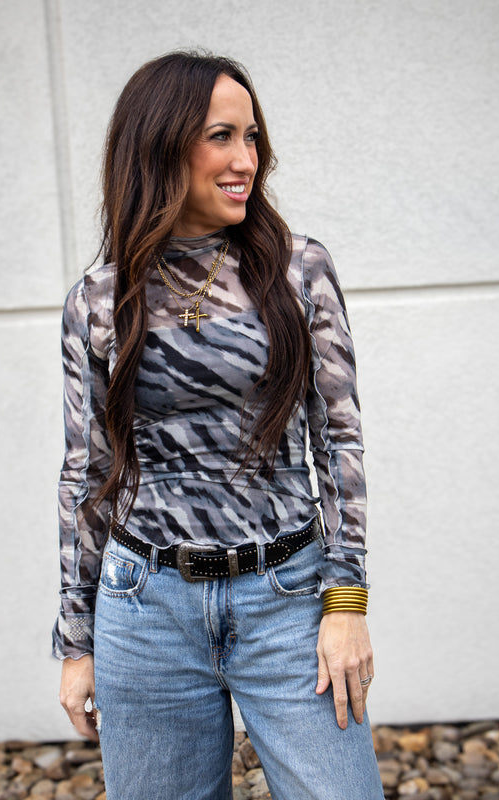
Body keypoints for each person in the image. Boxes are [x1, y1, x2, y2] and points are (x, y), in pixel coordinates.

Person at [53, 51, 384, 800]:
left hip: (288, 601)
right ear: (161, 145)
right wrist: (77, 642)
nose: (245, 160)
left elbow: (338, 444)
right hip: (146, 608)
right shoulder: (100, 300)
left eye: (252, 136)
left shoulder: (298, 270)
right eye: (221, 136)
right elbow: (85, 472)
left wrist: (346, 602)